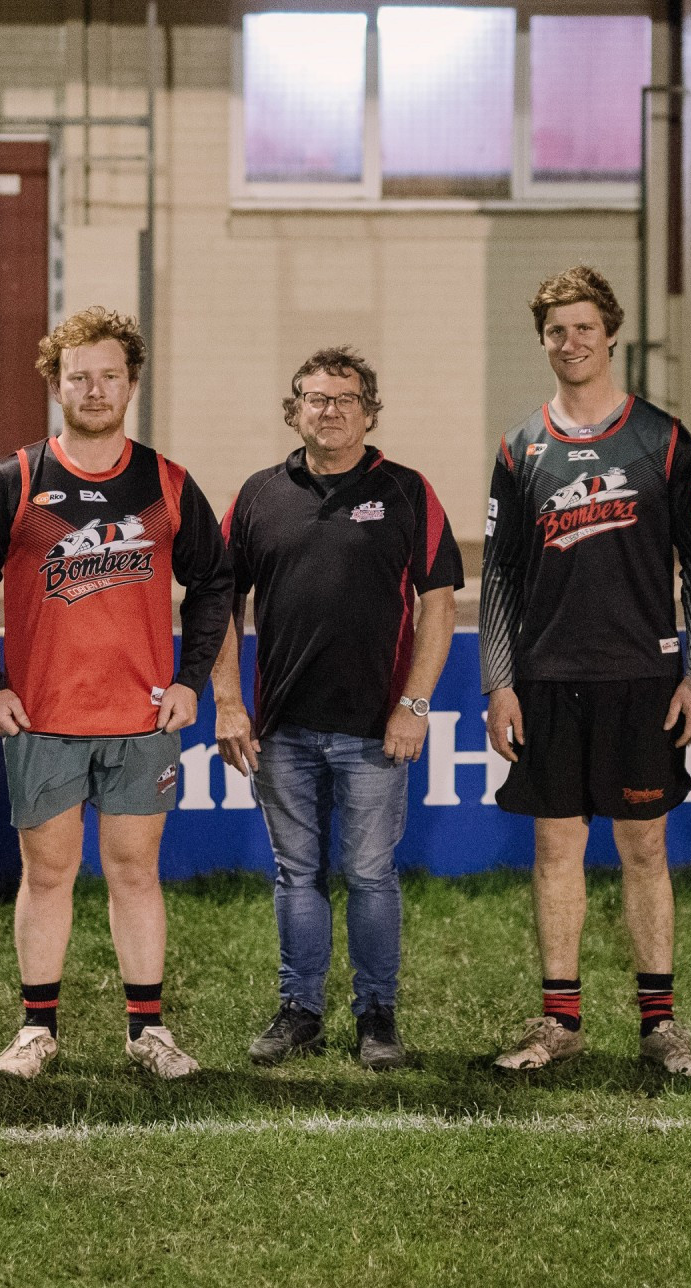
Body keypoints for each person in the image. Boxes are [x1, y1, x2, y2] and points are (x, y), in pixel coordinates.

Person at [0, 306, 230, 1081]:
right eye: (80, 377)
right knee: (46, 875)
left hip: (140, 718)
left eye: (111, 375)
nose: (97, 389)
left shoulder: (167, 483)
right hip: (44, 716)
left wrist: (188, 680)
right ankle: (36, 1030)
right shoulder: (15, 480)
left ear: (132, 382)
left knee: (135, 871)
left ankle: (149, 1031)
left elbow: (214, 582)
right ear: (56, 383)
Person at [480, 265, 691, 1077]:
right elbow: (502, 575)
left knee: (645, 849)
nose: (571, 342)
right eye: (556, 330)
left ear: (610, 333)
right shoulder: (522, 448)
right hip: (547, 680)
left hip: (642, 680)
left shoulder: (662, 439)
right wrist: (499, 680)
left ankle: (660, 1024)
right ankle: (561, 1021)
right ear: (542, 341)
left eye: (584, 327)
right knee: (555, 850)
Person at [212, 347, 462, 1070]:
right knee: (297, 874)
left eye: (344, 398)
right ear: (294, 411)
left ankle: (377, 1017)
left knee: (371, 876)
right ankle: (301, 1010)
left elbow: (439, 604)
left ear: (369, 411)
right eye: (315, 399)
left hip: (375, 731)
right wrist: (228, 699)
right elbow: (219, 603)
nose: (330, 410)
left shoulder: (409, 491)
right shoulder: (259, 495)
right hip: (282, 730)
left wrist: (413, 704)